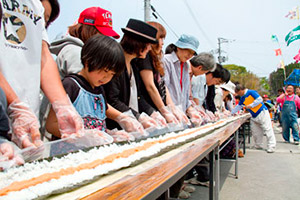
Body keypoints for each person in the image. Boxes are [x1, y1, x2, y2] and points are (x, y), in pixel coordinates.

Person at [0, 0, 84, 167]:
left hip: (29, 121)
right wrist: (15, 105)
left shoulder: (36, 5)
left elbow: (44, 56)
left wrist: (62, 105)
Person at [104, 18, 162, 131]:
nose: (150, 49)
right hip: (114, 128)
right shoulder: (114, 62)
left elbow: (138, 97)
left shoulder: (133, 65)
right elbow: (112, 100)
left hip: (130, 128)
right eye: (149, 45)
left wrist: (152, 113)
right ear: (139, 44)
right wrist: (138, 117)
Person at [136, 21, 179, 124]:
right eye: (160, 38)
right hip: (150, 111)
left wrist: (172, 108)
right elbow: (150, 86)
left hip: (158, 110)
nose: (162, 42)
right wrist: (164, 111)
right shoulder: (145, 58)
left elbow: (163, 86)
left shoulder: (155, 59)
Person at [163, 34, 202, 126]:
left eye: (192, 53)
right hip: (169, 114)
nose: (189, 55)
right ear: (179, 47)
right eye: (188, 51)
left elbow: (184, 94)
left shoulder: (185, 66)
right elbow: (164, 88)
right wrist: (172, 109)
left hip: (181, 115)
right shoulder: (166, 61)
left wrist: (190, 109)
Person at [232, 84, 276, 153]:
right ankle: (258, 145)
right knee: (256, 131)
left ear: (241, 90)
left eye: (238, 92)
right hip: (253, 115)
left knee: (267, 129)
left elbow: (259, 99)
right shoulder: (242, 98)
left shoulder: (251, 92)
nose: (238, 94)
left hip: (262, 112)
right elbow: (239, 106)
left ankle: (271, 146)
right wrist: (231, 112)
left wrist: (251, 105)